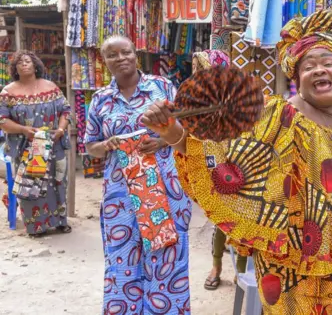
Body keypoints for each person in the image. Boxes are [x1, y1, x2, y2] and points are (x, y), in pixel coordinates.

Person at [142, 10, 332, 314]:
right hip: (291, 272)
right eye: (308, 66)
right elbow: (216, 154)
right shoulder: (277, 118)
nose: (318, 70)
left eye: (327, 63)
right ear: (297, 78)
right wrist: (171, 131)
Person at [84, 36, 191, 313]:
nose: (120, 58)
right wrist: (106, 145)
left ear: (136, 54)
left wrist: (162, 141)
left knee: (167, 257)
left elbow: (187, 131)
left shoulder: (163, 87)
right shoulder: (100, 100)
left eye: (126, 52)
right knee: (123, 259)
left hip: (165, 190)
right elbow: (90, 146)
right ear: (104, 60)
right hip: (120, 196)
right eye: (112, 55)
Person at [192, 49, 248, 291]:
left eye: (203, 70)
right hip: (212, 165)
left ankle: (243, 270)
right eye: (195, 70)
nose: (198, 75)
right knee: (219, 219)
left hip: (239, 164)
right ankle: (216, 266)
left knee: (242, 219)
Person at [0, 50, 71, 237]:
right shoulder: (8, 92)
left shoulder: (51, 87)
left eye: (27, 61)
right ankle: (36, 226)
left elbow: (66, 111)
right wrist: (23, 129)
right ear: (15, 68)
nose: (24, 64)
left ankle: (61, 221)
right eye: (19, 63)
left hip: (53, 145)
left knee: (58, 182)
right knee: (31, 184)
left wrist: (61, 130)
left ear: (35, 65)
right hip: (27, 149)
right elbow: (2, 121)